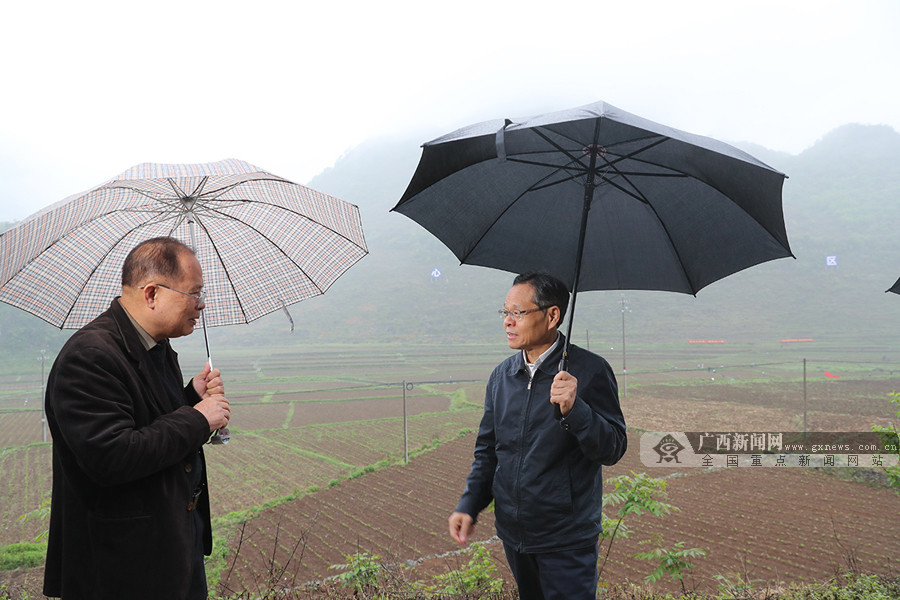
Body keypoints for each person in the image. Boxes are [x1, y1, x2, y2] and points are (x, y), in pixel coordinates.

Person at [43, 237, 232, 600]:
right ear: (151, 294)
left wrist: (192, 395)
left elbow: (148, 417)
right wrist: (198, 419)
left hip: (171, 552)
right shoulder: (89, 357)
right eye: (194, 294)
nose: (201, 305)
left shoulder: (154, 345)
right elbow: (112, 455)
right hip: (122, 569)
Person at [448, 272, 626, 600]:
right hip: (514, 535)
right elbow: (489, 450)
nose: (508, 322)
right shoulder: (502, 377)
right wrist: (470, 504)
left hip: (566, 539)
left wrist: (577, 409)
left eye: (518, 312)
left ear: (552, 315)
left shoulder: (590, 371)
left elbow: (613, 448)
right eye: (505, 312)